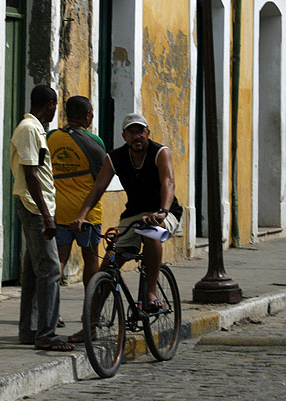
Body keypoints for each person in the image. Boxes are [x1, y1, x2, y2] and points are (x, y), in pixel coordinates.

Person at [70, 112, 182, 311]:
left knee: (151, 233)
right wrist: (81, 216)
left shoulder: (160, 152)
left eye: (140, 131)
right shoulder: (115, 158)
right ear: (124, 136)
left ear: (148, 133)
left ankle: (150, 293)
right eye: (131, 132)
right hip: (133, 215)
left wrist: (162, 211)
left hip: (164, 212)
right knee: (108, 266)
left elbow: (168, 182)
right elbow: (97, 189)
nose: (136, 136)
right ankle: (91, 324)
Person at [10, 84, 74, 352]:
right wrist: (48, 217)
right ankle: (46, 334)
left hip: (40, 206)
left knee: (33, 271)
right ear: (50, 104)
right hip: (35, 207)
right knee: (49, 270)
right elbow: (31, 175)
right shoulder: (28, 130)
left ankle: (30, 329)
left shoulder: (36, 130)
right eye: (55, 104)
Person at [47, 96, 106, 340]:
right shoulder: (94, 141)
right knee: (91, 260)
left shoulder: (51, 138)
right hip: (87, 213)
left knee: (57, 263)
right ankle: (90, 312)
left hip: (59, 210)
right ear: (88, 116)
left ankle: (53, 313)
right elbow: (103, 176)